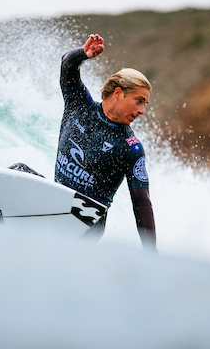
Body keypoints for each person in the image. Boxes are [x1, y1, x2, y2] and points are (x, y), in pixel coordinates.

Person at [54, 34, 157, 252]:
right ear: (119, 93)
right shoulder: (79, 105)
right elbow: (67, 66)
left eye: (145, 104)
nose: (142, 111)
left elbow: (141, 204)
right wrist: (83, 54)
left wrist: (151, 252)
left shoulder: (131, 148)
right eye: (139, 101)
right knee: (19, 170)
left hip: (87, 221)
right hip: (53, 204)